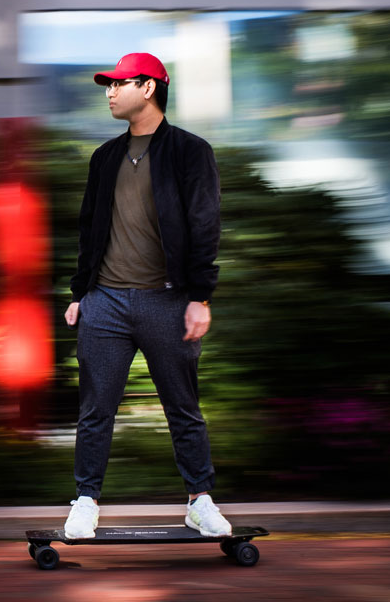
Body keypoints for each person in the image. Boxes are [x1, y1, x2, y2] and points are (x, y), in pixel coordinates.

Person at [62, 52, 232, 539]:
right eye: (108, 86)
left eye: (119, 84)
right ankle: (85, 501)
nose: (110, 93)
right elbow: (89, 230)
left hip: (168, 301)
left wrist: (200, 296)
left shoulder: (189, 151)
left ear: (150, 87)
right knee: (96, 410)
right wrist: (81, 294)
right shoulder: (105, 157)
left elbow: (204, 223)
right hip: (105, 304)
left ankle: (200, 501)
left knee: (182, 407)